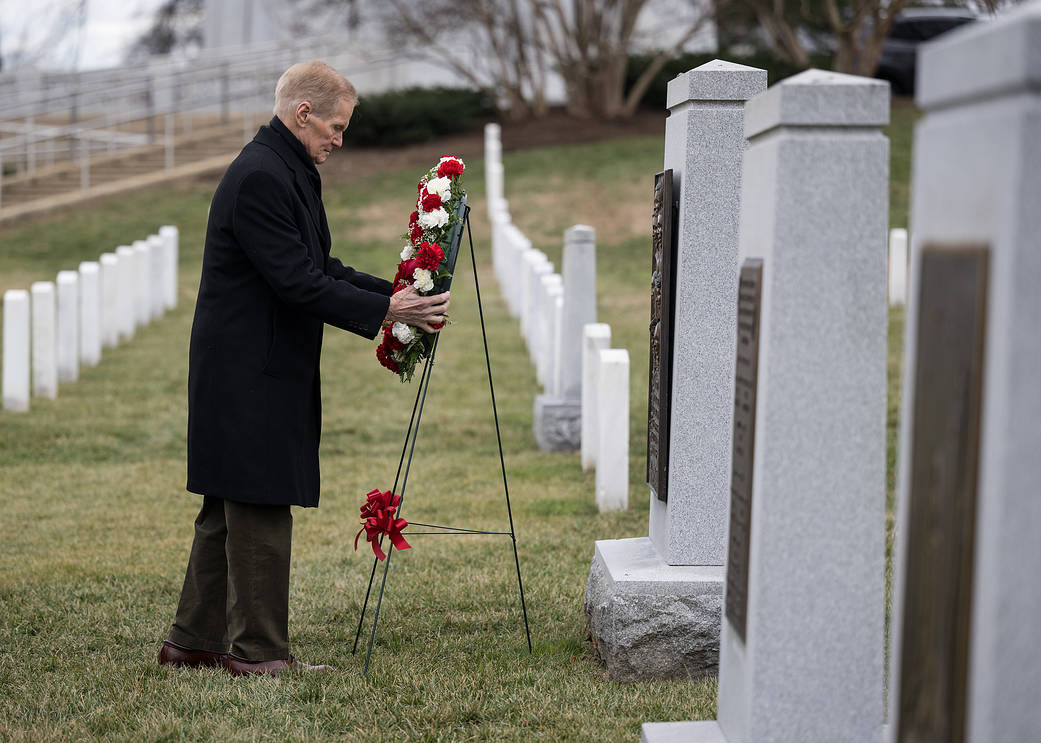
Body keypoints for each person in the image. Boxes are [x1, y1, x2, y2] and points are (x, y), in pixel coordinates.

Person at [157, 61, 449, 676]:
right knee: (259, 500)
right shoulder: (263, 175)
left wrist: (398, 295)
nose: (340, 140)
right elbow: (296, 283)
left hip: (250, 364)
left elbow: (321, 265)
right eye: (336, 127)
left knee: (226, 507)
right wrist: (389, 307)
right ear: (303, 114)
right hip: (246, 371)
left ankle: (191, 643)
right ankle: (260, 655)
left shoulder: (285, 169)